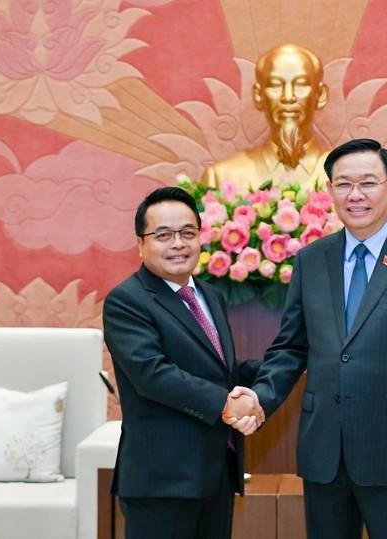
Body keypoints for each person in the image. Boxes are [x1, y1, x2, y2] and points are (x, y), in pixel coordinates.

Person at [228, 139, 387, 538]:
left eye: (368, 183)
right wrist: (260, 397)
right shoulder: (311, 259)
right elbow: (291, 347)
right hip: (325, 453)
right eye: (343, 184)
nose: (355, 195)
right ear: (330, 191)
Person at [103, 186, 263, 539]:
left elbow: (221, 371)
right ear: (141, 244)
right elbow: (152, 374)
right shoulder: (126, 301)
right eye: (163, 235)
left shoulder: (210, 295)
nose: (178, 243)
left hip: (215, 474)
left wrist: (281, 365)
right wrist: (225, 403)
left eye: (187, 233)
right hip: (162, 483)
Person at [202, 43, 330, 192]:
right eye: (275, 85)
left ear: (320, 95)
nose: (288, 97)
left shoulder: (346, 178)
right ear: (258, 95)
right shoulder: (221, 177)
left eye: (300, 85)